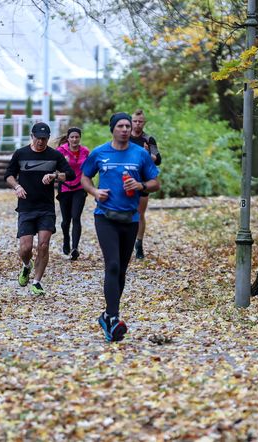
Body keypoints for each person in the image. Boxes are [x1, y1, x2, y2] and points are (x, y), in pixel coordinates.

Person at [81, 112, 160, 342]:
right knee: (112, 265)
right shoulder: (99, 153)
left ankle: (107, 315)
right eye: (121, 126)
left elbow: (156, 182)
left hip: (130, 218)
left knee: (122, 270)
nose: (125, 129)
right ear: (113, 129)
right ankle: (114, 318)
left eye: (128, 126)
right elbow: (84, 177)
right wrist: (94, 191)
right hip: (105, 216)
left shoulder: (140, 155)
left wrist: (141, 184)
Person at [4, 122, 76, 295]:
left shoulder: (54, 155)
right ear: (32, 136)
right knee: (25, 248)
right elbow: (8, 175)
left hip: (46, 207)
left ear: (48, 138)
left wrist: (55, 175)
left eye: (44, 139)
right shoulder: (21, 153)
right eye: (38, 138)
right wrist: (17, 187)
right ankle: (26, 266)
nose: (41, 142)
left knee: (43, 245)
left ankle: (36, 282)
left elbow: (71, 174)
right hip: (26, 207)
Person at [129, 109, 161, 259]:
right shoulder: (124, 137)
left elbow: (158, 158)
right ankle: (126, 242)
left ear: (144, 123)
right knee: (127, 211)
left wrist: (147, 155)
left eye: (140, 121)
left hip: (143, 179)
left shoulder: (149, 139)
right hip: (127, 179)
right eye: (135, 121)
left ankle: (139, 243)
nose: (137, 124)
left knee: (140, 213)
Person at [56, 127, 90, 260]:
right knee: (66, 220)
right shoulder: (60, 151)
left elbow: (90, 167)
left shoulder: (85, 151)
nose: (75, 139)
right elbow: (55, 168)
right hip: (65, 188)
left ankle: (75, 248)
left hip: (79, 188)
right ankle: (66, 239)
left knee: (76, 217)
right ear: (68, 138)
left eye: (77, 137)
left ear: (79, 138)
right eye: (72, 137)